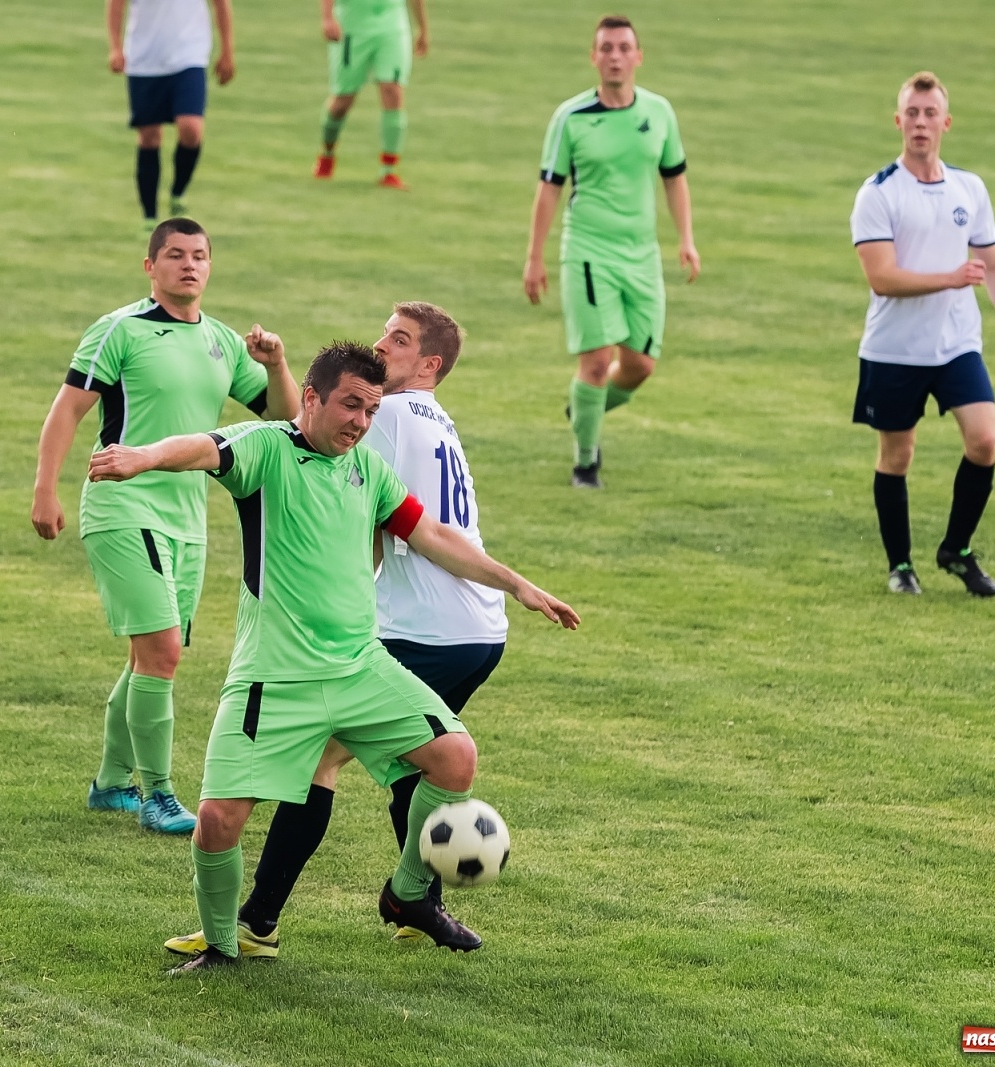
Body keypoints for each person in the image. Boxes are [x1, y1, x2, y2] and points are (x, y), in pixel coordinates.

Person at [87, 342, 579, 973]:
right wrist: (140, 457)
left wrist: (514, 583)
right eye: (351, 405)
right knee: (216, 821)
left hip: (358, 668)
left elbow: (429, 535)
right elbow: (202, 447)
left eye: (371, 411)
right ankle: (223, 945)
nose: (360, 423)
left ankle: (405, 896)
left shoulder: (367, 471)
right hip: (274, 676)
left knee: (455, 757)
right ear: (312, 398)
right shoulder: (268, 449)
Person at [165, 302, 506, 960]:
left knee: (332, 759)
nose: (382, 347)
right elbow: (297, 437)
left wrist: (281, 371)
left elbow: (305, 430)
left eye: (398, 340)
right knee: (377, 762)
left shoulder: (391, 418)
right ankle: (391, 901)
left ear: (428, 365)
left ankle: (324, 909)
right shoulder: (431, 418)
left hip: (413, 628)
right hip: (471, 629)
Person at [32, 218, 300, 835]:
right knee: (162, 653)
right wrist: (45, 490)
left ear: (210, 267)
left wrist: (278, 363)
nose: (189, 265)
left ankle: (108, 785)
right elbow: (67, 410)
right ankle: (156, 796)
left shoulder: (224, 342)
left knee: (148, 657)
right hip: (122, 507)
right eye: (175, 255)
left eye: (200, 256)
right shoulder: (119, 330)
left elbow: (284, 420)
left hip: (188, 522)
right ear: (149, 266)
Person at [851, 72, 995, 596]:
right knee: (897, 456)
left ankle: (956, 549)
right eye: (912, 113)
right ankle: (900, 566)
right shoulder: (878, 193)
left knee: (985, 440)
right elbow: (880, 277)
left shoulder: (968, 188)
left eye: (930, 114)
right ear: (898, 121)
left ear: (946, 123)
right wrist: (952, 278)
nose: (921, 123)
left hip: (956, 346)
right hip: (894, 350)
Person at [523, 14, 700, 489]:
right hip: (588, 251)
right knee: (597, 362)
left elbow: (675, 177)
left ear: (639, 56)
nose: (615, 56)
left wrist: (686, 238)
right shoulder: (571, 118)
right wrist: (534, 258)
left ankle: (586, 410)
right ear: (594, 58)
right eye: (606, 48)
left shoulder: (659, 112)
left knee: (641, 365)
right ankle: (586, 464)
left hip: (642, 256)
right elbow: (549, 190)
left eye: (624, 47)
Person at [108, 0, 236, 229]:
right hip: (144, 60)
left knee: (191, 128)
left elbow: (221, 4)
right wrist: (115, 47)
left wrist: (227, 50)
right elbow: (116, 4)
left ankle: (178, 190)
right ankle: (149, 216)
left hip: (190, 56)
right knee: (149, 136)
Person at [312, 0, 428, 189]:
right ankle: (327, 153)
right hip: (352, 25)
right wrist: (327, 18)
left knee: (393, 91)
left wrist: (423, 28)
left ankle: (389, 170)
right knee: (343, 101)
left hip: (392, 24)